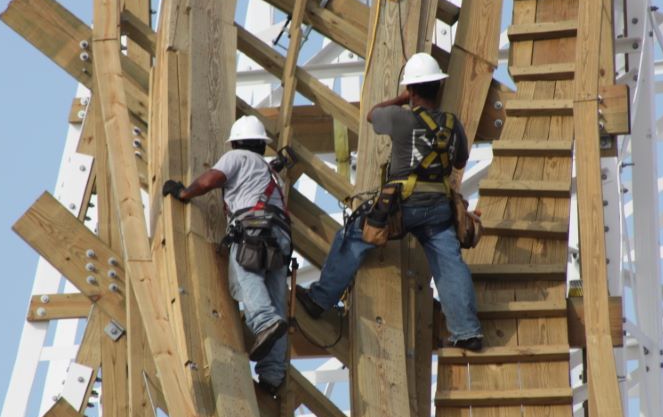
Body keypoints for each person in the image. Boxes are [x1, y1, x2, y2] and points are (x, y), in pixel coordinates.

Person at [296, 53, 484, 351]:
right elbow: (459, 159)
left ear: (411, 90)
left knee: (353, 236)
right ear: (438, 87)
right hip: (438, 208)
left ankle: (320, 299)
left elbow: (372, 114)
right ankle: (467, 331)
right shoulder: (451, 123)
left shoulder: (401, 117)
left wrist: (401, 98)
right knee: (450, 265)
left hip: (401, 205)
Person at [162, 115, 291, 394]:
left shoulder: (237, 158)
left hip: (253, 228)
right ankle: (273, 374)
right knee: (277, 298)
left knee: (246, 274)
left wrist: (184, 193)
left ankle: (264, 322)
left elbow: (212, 179)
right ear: (261, 144)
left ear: (236, 143)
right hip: (280, 237)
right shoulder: (272, 174)